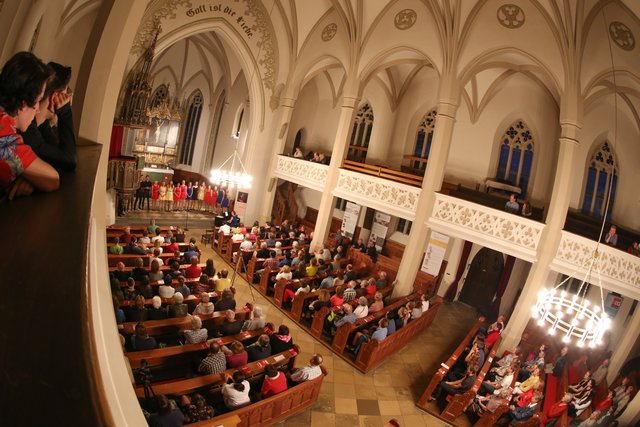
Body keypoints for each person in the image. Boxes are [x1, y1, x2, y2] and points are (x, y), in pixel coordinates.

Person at [0, 51, 60, 200]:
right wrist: (31, 176)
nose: (38, 109)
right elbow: (52, 179)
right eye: (38, 101)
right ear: (23, 103)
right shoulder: (4, 137)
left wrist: (25, 175)